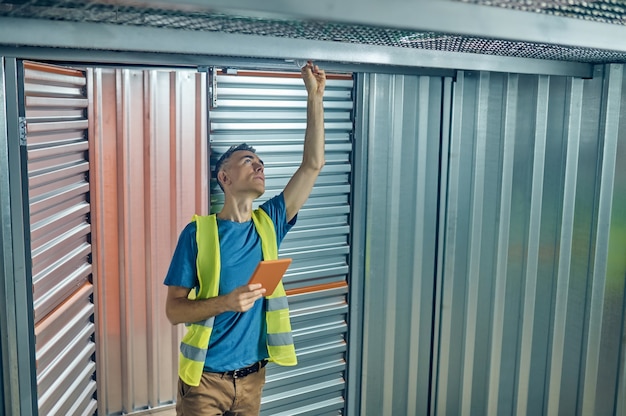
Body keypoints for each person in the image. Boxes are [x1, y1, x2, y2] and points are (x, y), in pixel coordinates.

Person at [163, 61, 326, 416]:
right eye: (249, 160)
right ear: (224, 177)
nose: (260, 166)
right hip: (205, 383)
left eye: (261, 162)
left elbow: (312, 164)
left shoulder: (270, 223)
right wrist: (226, 302)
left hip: (253, 381)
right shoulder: (198, 234)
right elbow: (173, 310)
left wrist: (314, 97)